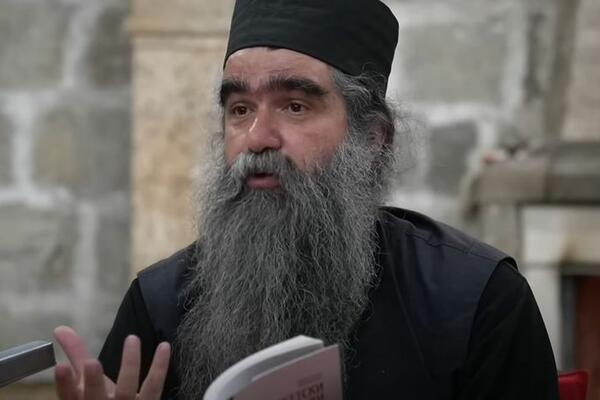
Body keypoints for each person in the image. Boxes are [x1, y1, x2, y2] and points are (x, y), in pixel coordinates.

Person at [53, 0, 559, 399]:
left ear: (372, 138)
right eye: (239, 109)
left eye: (294, 106)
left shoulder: (478, 301)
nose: (257, 138)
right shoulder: (158, 304)